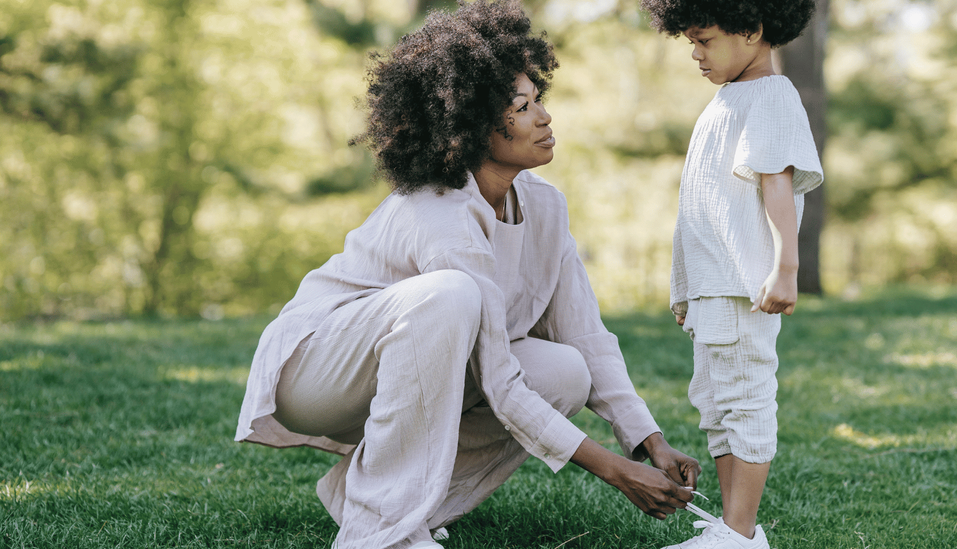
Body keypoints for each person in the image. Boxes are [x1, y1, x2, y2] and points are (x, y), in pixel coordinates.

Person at [233, 3, 700, 548]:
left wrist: (648, 441)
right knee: (451, 296)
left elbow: (586, 336)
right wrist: (613, 471)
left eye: (538, 100)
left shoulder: (545, 209)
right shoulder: (442, 212)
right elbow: (500, 384)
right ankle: (383, 533)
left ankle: (372, 504)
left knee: (564, 371)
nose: (544, 117)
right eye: (521, 107)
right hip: (318, 371)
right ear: (472, 128)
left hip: (408, 367)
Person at [639, 1, 823, 548]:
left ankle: (740, 533)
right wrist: (684, 287)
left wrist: (784, 267)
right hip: (712, 287)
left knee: (745, 399)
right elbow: (700, 205)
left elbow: (777, 185)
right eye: (690, 41)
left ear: (753, 29)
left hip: (744, 285)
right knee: (716, 404)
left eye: (706, 40)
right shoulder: (728, 98)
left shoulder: (771, 95)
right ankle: (731, 528)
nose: (696, 53)